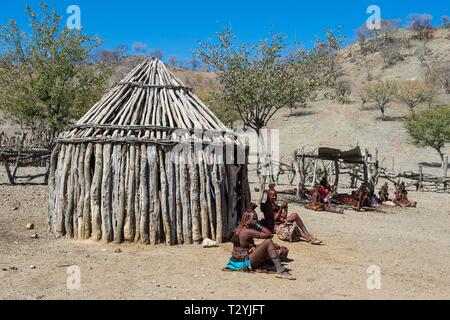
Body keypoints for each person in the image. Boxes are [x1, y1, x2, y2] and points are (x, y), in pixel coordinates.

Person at [225, 207, 295, 280]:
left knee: (267, 247)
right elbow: (269, 235)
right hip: (244, 262)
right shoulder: (247, 231)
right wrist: (256, 224)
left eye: (256, 219)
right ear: (248, 220)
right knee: (268, 242)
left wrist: (252, 248)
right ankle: (280, 270)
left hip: (237, 260)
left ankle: (267, 265)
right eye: (254, 219)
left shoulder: (239, 229)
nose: (256, 221)